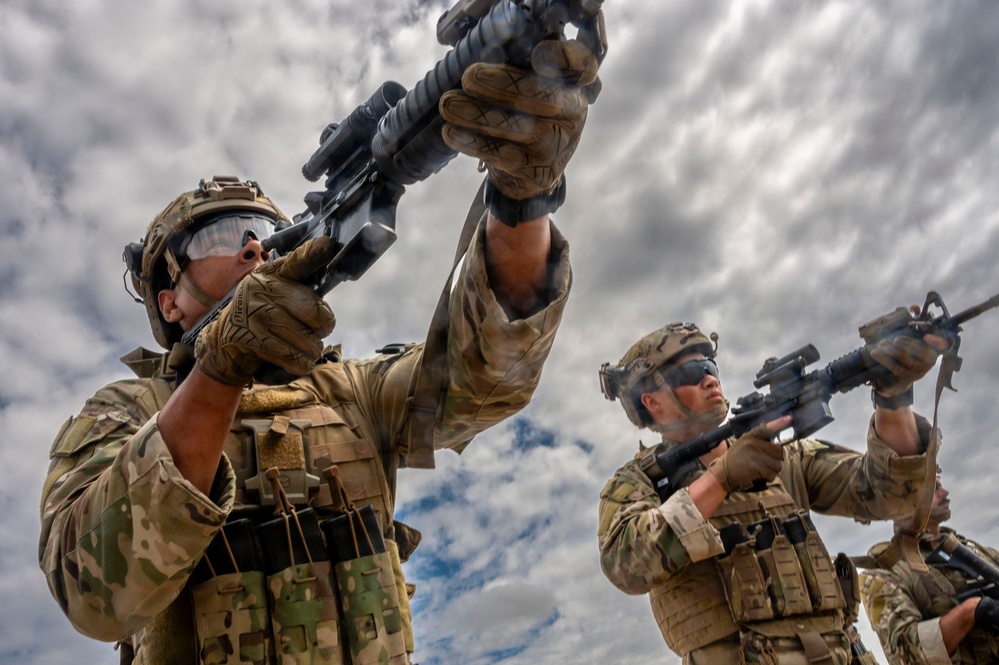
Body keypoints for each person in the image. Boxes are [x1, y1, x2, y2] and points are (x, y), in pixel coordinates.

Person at [38, 38, 600, 665]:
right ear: (169, 302)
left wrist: (522, 196)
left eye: (264, 232)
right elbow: (94, 594)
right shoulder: (127, 409)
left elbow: (484, 378)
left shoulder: (351, 392)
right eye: (224, 236)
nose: (255, 248)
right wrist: (221, 368)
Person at [597, 321, 947, 665]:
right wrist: (723, 478)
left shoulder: (784, 456)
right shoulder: (637, 482)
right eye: (690, 373)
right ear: (651, 400)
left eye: (709, 366)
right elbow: (627, 565)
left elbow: (887, 494)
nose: (709, 378)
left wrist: (893, 395)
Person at [859, 474, 999, 664]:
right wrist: (971, 611)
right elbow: (906, 654)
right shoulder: (884, 572)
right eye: (933, 488)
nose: (945, 492)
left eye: (940, 484)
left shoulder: (978, 552)